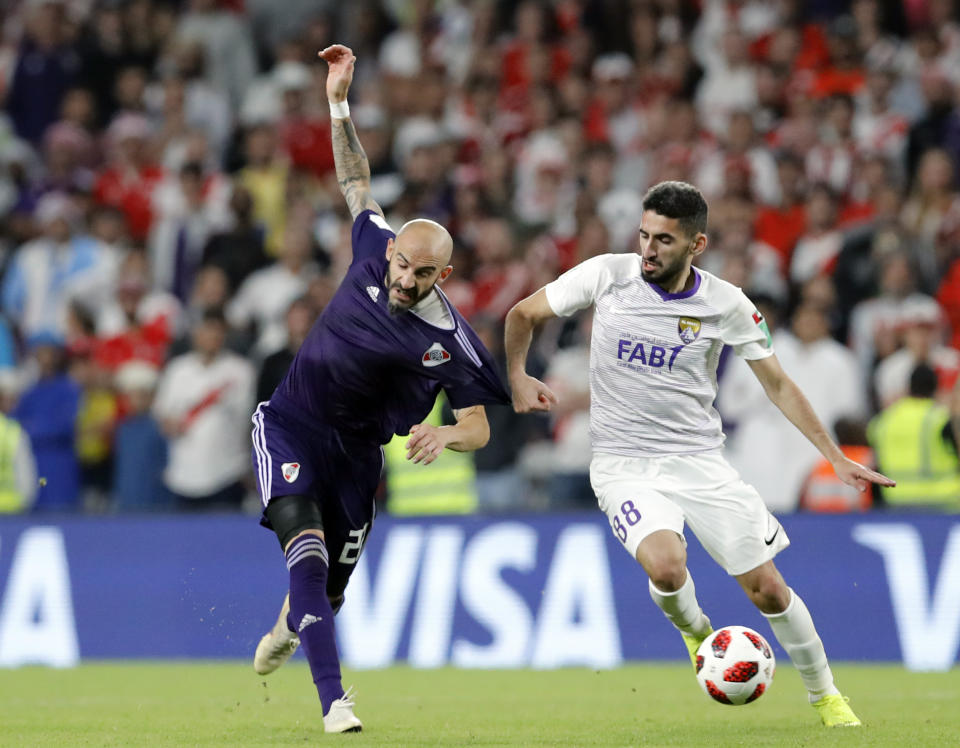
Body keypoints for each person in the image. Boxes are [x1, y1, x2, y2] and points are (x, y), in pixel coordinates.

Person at [504, 181, 895, 728]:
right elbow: (522, 314)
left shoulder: (727, 303)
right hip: (623, 464)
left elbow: (778, 384)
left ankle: (827, 697)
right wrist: (518, 376)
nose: (648, 249)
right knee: (665, 566)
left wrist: (834, 454)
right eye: (643, 235)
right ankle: (696, 632)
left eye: (663, 239)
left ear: (697, 244)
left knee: (768, 588)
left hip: (700, 462)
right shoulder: (607, 276)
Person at [250, 44, 511, 734]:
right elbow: (356, 181)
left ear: (441, 278)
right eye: (400, 264)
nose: (402, 280)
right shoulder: (372, 246)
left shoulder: (449, 342)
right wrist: (338, 100)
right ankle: (334, 700)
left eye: (420, 275)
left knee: (325, 594)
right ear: (389, 252)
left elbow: (481, 424)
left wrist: (448, 431)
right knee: (303, 552)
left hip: (359, 457)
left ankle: (288, 626)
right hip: (292, 424)